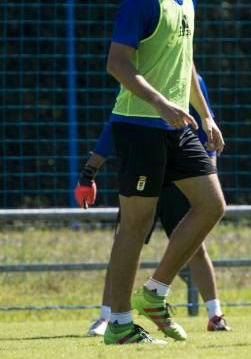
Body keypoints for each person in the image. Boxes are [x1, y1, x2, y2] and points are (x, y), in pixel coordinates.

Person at [100, 0, 226, 345]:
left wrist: (205, 114)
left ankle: (154, 293)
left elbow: (184, 60)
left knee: (211, 205)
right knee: (135, 226)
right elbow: (117, 63)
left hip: (178, 124)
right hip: (139, 124)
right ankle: (118, 323)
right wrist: (160, 102)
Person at [78, 75, 230, 337]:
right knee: (127, 236)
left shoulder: (191, 78)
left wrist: (210, 165)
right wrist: (89, 172)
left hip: (179, 177)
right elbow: (114, 123)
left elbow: (207, 123)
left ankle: (213, 313)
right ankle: (110, 317)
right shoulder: (136, 77)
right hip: (144, 160)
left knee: (198, 244)